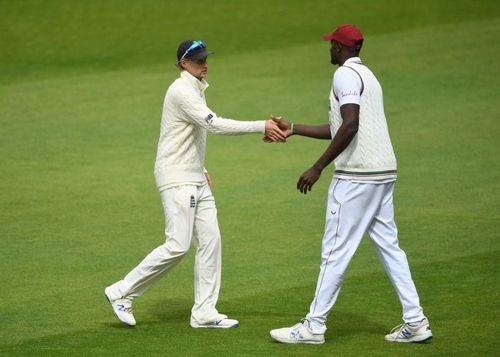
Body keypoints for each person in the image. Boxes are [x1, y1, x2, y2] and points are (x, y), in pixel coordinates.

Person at [268, 24, 432, 344]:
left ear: (341, 49)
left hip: (357, 177)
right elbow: (341, 126)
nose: (329, 49)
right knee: (390, 249)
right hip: (383, 173)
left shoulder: (343, 75)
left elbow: (351, 125)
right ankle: (416, 321)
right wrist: (295, 128)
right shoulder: (368, 76)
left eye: (332, 45)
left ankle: (313, 326)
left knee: (335, 251)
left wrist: (317, 167)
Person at [105, 40, 286, 328]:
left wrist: (200, 168)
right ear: (182, 64)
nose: (204, 64)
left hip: (194, 178)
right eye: (197, 59)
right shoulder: (181, 91)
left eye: (205, 58)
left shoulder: (195, 90)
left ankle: (204, 313)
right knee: (177, 245)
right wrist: (260, 125)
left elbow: (186, 134)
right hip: (177, 179)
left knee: (211, 242)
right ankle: (121, 292)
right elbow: (212, 125)